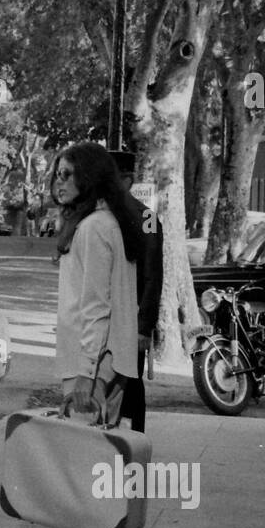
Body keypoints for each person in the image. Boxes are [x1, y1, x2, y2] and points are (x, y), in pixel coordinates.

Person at [50, 142, 144, 528]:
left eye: (70, 174)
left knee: (88, 473)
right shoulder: (109, 223)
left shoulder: (93, 228)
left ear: (90, 178)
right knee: (96, 469)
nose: (60, 182)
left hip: (93, 367)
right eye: (58, 174)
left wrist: (87, 374)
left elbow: (95, 308)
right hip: (106, 363)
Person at [108, 150, 163, 433]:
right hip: (104, 317)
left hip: (131, 319)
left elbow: (153, 275)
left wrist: (144, 327)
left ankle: (133, 442)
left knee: (129, 382)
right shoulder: (99, 216)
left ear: (127, 180)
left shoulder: (147, 218)